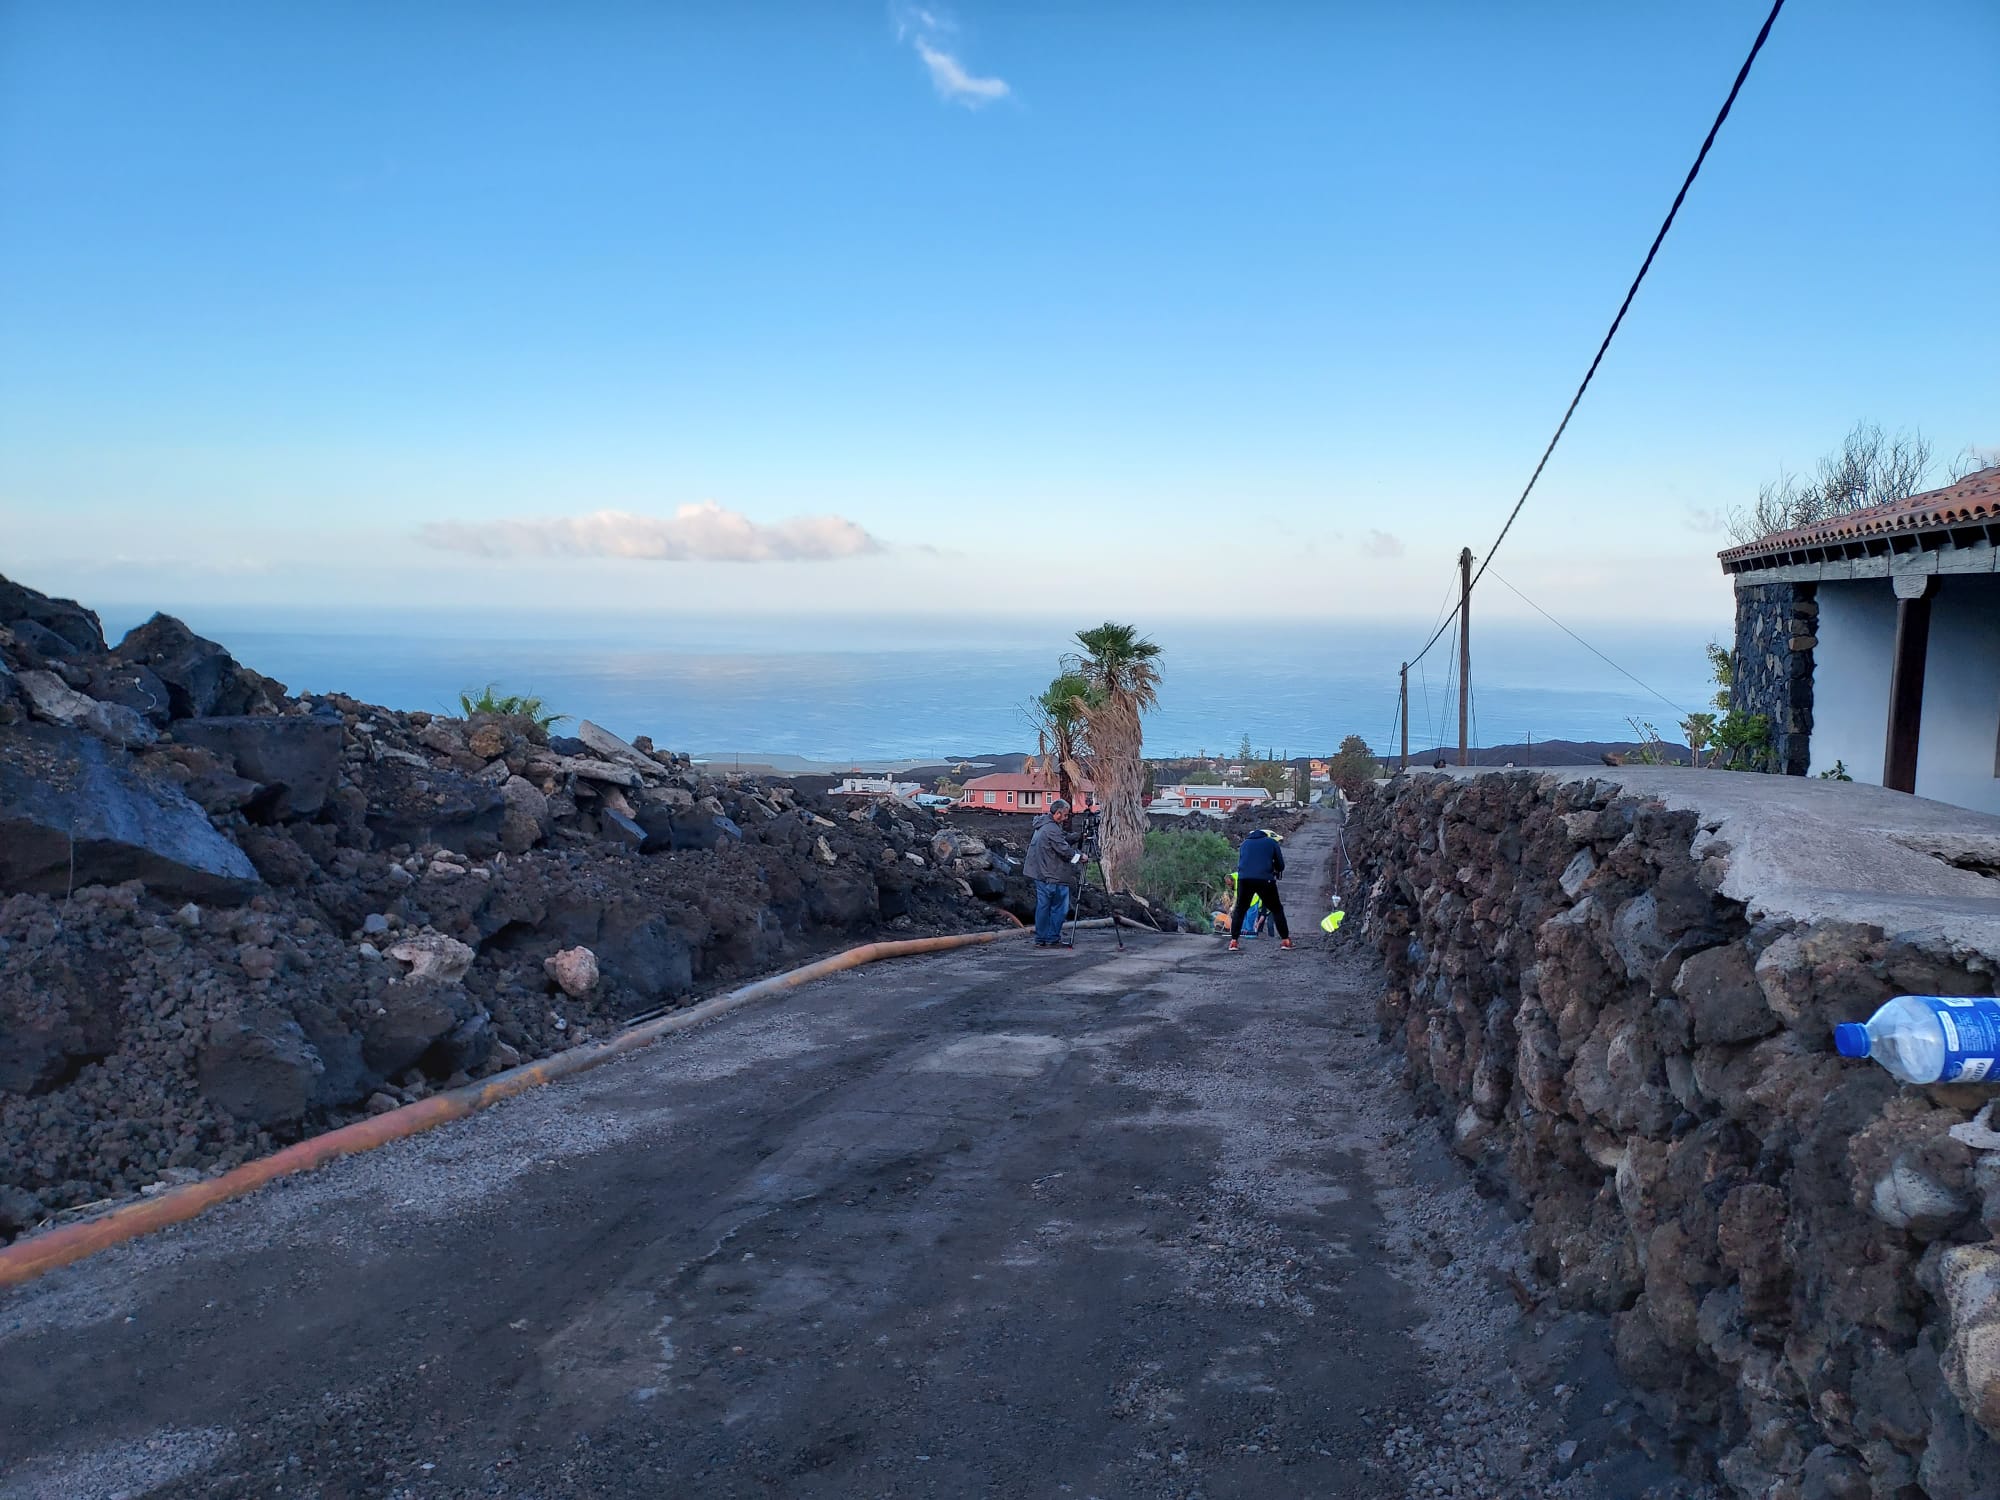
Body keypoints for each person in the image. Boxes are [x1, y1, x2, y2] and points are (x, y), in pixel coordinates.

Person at [1026, 797, 1082, 949]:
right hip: (1052, 875)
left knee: (1043, 906)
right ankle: (1052, 938)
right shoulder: (1051, 829)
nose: (1066, 818)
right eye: (1065, 815)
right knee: (1059, 907)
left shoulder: (1044, 824)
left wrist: (1077, 837)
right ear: (1057, 813)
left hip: (1040, 874)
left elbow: (1060, 839)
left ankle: (1041, 939)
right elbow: (1064, 850)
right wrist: (1080, 857)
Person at [1229, 827, 1292, 951]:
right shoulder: (1271, 842)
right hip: (1265, 879)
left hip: (1244, 879)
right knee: (1276, 909)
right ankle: (1285, 941)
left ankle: (1234, 941)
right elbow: (1281, 865)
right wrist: (1275, 869)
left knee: (1240, 909)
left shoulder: (1245, 844)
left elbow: (1242, 862)